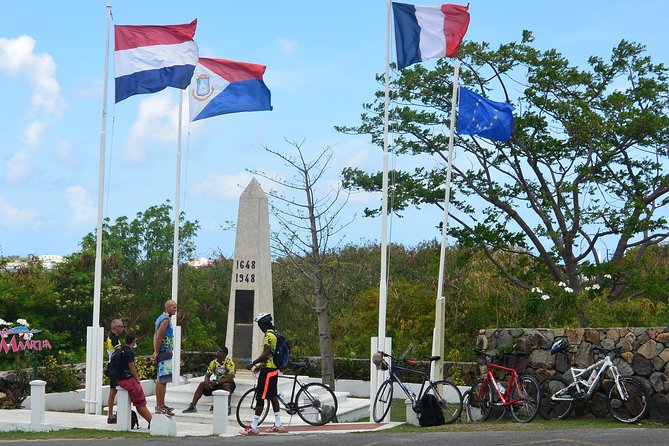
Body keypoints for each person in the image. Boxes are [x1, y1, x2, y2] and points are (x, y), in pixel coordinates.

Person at [240, 312, 287, 436]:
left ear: (262, 324)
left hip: (268, 373)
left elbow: (265, 355)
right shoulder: (274, 334)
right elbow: (270, 357)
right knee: (272, 396)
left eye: (259, 324)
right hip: (272, 370)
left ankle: (254, 427)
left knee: (260, 397)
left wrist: (252, 363)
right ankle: (278, 424)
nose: (259, 327)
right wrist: (260, 366)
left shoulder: (268, 336)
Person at [182, 346, 236, 414]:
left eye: (219, 351)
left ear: (225, 354)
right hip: (217, 382)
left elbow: (230, 378)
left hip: (228, 383)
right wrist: (207, 382)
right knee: (202, 384)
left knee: (226, 385)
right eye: (217, 351)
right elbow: (207, 375)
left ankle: (227, 408)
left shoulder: (230, 363)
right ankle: (192, 406)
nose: (217, 352)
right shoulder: (213, 363)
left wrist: (216, 382)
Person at [116, 334, 153, 427]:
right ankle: (152, 422)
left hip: (120, 379)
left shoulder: (120, 350)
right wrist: (137, 380)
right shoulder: (129, 353)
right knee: (140, 403)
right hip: (128, 380)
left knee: (139, 403)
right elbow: (132, 369)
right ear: (133, 341)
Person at [150, 299, 176, 416]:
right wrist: (156, 351)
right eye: (173, 307)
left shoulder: (161, 318)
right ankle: (160, 406)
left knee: (162, 379)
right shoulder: (165, 320)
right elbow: (159, 336)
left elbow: (154, 336)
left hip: (164, 351)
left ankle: (161, 404)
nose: (175, 310)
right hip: (164, 352)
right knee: (163, 380)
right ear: (167, 308)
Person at [105, 318, 124, 423]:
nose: (122, 328)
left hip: (113, 365)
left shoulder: (113, 337)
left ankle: (111, 414)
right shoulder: (114, 338)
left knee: (114, 391)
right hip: (114, 366)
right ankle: (110, 415)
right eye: (121, 326)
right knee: (113, 391)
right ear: (115, 328)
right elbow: (119, 351)